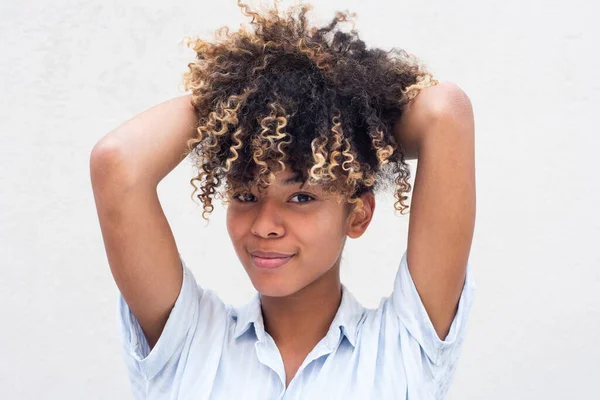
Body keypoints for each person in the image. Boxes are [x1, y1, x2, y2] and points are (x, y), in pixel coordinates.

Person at [90, 1, 477, 399]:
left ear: (358, 214)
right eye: (245, 195)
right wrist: (240, 103)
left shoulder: (401, 349)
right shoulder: (188, 344)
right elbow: (118, 163)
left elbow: (444, 113)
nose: (264, 225)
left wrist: (350, 121)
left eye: (301, 196)